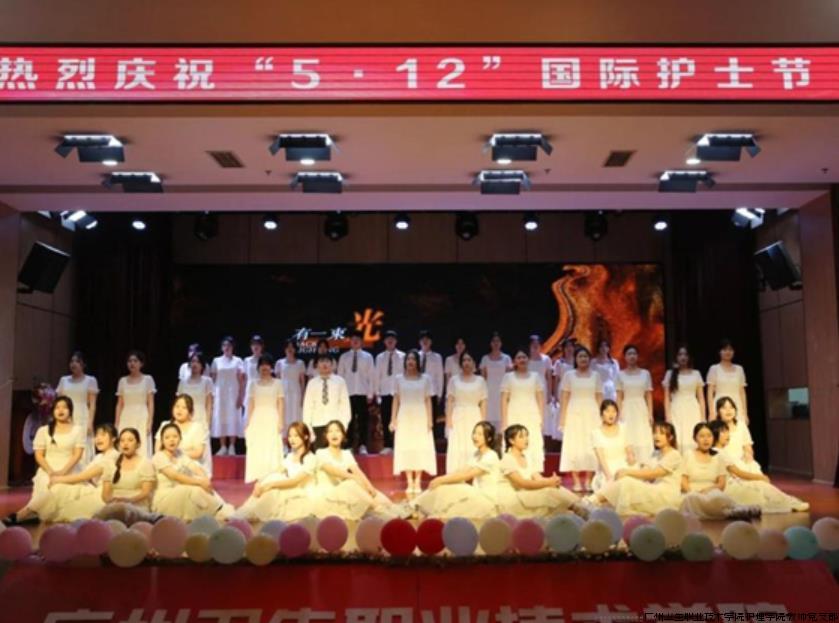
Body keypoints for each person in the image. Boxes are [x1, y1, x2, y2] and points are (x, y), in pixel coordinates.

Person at [4, 396, 85, 525]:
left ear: (70, 410)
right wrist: (50, 471)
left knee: (59, 486)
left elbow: (77, 455)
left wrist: (63, 472)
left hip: (70, 469)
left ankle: (24, 514)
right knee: (46, 483)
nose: (61, 410)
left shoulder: (78, 430)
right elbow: (39, 455)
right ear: (53, 411)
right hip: (48, 468)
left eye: (64, 407)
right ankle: (30, 513)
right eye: (57, 407)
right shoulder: (44, 431)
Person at [710, 419, 809, 513]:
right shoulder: (719, 453)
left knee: (761, 486)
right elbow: (739, 473)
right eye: (723, 432)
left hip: (734, 483)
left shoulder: (721, 451)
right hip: (731, 488)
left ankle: (790, 502)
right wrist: (760, 477)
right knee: (761, 489)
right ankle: (789, 503)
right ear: (715, 434)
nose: (727, 435)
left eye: (727, 431)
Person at [584, 422, 683, 516]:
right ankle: (594, 501)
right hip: (654, 490)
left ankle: (592, 501)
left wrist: (628, 472)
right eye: (655, 433)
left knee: (626, 482)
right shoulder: (655, 454)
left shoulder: (674, 454)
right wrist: (638, 467)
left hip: (666, 495)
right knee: (624, 480)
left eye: (661, 433)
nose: (656, 436)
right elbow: (649, 475)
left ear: (670, 437)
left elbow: (655, 473)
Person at [233, 422, 321, 522]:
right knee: (272, 479)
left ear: (305, 437)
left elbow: (295, 481)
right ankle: (251, 512)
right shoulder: (290, 456)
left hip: (302, 491)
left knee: (273, 489)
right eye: (290, 436)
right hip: (291, 487)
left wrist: (271, 485)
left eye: (296, 436)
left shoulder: (311, 458)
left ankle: (254, 513)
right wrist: (260, 482)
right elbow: (276, 471)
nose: (292, 439)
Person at [34, 423, 120, 522]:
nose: (98, 438)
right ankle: (31, 512)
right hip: (92, 489)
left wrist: (57, 479)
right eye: (96, 435)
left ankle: (30, 512)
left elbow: (83, 476)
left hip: (102, 495)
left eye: (103, 435)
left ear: (113, 438)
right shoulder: (99, 456)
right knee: (59, 489)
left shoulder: (112, 456)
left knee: (65, 506)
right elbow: (85, 475)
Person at [414, 421, 501, 520]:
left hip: (487, 499)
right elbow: (461, 471)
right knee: (447, 486)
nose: (475, 436)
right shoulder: (477, 454)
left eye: (480, 434)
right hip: (477, 495)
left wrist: (441, 480)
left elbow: (466, 476)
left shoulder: (491, 456)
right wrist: (441, 480)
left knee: (457, 488)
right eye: (474, 433)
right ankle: (416, 506)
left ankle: (416, 506)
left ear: (489, 438)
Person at [315, 420, 399, 519]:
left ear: (343, 435)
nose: (334, 434)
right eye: (330, 431)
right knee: (350, 484)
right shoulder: (321, 453)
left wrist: (370, 487)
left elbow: (358, 472)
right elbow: (333, 471)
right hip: (329, 494)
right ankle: (379, 510)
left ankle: (395, 510)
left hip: (345, 492)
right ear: (326, 436)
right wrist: (353, 477)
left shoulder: (346, 453)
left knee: (374, 493)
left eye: (337, 431)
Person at [152, 423, 232, 521]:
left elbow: (194, 467)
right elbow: (175, 476)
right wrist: (199, 482)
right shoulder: (159, 457)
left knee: (198, 489)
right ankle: (217, 511)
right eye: (167, 437)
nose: (171, 440)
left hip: (181, 493)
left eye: (175, 437)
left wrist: (205, 479)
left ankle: (217, 511)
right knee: (192, 489)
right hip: (165, 497)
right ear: (162, 441)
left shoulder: (179, 453)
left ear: (180, 439)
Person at [497, 424, 580, 517]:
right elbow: (522, 483)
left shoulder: (526, 457)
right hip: (514, 498)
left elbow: (538, 478)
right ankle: (579, 509)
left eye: (526, 436)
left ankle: (579, 506)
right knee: (549, 491)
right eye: (521, 436)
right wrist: (548, 483)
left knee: (555, 488)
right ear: (511, 440)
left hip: (525, 493)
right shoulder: (507, 459)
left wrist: (552, 480)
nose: (526, 439)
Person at [680, 422, 755, 520]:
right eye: (702, 436)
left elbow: (721, 483)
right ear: (695, 438)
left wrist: (708, 490)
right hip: (693, 492)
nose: (706, 439)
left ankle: (733, 511)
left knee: (717, 498)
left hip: (712, 491)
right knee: (692, 500)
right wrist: (693, 492)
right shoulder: (688, 455)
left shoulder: (718, 457)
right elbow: (683, 481)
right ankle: (726, 513)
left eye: (709, 436)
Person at [391, 350, 437, 495]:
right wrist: (393, 419)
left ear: (418, 362)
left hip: (420, 416)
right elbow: (396, 399)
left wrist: (430, 420)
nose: (410, 362)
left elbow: (428, 400)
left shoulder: (426, 379)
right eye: (408, 359)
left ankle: (417, 480)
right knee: (406, 447)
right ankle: (409, 481)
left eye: (413, 359)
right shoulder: (399, 379)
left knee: (420, 447)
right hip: (404, 416)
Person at [558, 345, 603, 492]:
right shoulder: (569, 375)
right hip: (574, 413)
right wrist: (562, 418)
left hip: (592, 413)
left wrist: (601, 417)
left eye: (585, 356)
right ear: (575, 360)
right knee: (574, 446)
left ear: (589, 359)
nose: (583, 359)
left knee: (591, 445)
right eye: (580, 356)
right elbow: (565, 397)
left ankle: (588, 480)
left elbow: (599, 397)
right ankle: (576, 481)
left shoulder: (596, 376)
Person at [501, 347, 546, 474]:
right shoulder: (508, 377)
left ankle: (534, 473)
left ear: (528, 359)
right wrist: (504, 421)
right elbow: (504, 400)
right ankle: (514, 472)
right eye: (519, 358)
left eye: (524, 357)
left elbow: (540, 398)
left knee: (533, 441)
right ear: (514, 361)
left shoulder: (535, 376)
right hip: (514, 413)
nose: (522, 360)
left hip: (532, 414)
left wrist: (541, 418)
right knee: (514, 440)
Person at [244, 354, 285, 483]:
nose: (264, 367)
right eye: (262, 365)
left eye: (267, 365)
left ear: (271, 367)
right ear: (258, 368)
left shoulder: (278, 383)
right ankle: (259, 475)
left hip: (272, 417)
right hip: (257, 418)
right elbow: (250, 404)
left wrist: (281, 421)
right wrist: (248, 422)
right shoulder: (252, 384)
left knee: (271, 445)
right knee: (258, 446)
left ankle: (272, 474)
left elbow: (281, 403)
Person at [445, 351, 488, 474]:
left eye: (469, 360)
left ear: (474, 363)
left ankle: (472, 474)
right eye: (464, 360)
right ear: (460, 363)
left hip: (474, 415)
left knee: (473, 444)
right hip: (458, 415)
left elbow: (483, 402)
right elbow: (450, 401)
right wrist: (448, 420)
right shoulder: (454, 380)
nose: (466, 363)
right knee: (457, 445)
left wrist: (483, 421)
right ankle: (456, 475)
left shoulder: (480, 380)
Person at [154, 394, 212, 478]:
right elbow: (158, 450)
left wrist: (176, 456)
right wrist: (168, 458)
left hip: (190, 464)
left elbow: (198, 452)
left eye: (184, 408)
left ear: (190, 411)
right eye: (177, 406)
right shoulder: (165, 425)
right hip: (167, 462)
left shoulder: (197, 427)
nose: (179, 410)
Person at [100, 428, 156, 514]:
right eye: (122, 440)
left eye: (130, 440)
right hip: (115, 506)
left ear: (138, 444)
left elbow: (146, 492)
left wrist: (128, 501)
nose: (125, 443)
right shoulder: (111, 463)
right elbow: (105, 495)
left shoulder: (145, 463)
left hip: (137, 507)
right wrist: (112, 503)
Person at [56, 351, 99, 462]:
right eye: (72, 361)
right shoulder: (64, 380)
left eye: (77, 361)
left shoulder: (90, 380)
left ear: (83, 364)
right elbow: (59, 401)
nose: (74, 364)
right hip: (66, 415)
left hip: (82, 415)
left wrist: (90, 422)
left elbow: (92, 404)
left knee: (81, 443)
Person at [337, 329, 375, 453]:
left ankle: (362, 445)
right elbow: (340, 377)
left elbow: (371, 376)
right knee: (349, 420)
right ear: (350, 341)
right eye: (353, 340)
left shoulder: (368, 357)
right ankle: (348, 445)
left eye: (357, 340)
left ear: (362, 342)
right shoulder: (344, 357)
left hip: (362, 392)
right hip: (347, 393)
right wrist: (339, 395)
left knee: (363, 420)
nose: (355, 342)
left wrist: (370, 394)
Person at [615, 344, 654, 464]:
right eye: (629, 354)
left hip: (641, 408)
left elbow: (648, 395)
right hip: (627, 408)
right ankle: (630, 463)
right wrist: (618, 414)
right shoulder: (620, 374)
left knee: (642, 435)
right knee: (628, 435)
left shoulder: (645, 374)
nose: (632, 356)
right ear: (625, 357)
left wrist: (650, 414)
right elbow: (619, 396)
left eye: (634, 354)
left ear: (637, 356)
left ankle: (645, 464)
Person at [663, 345, 705, 456]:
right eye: (680, 354)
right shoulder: (670, 374)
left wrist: (703, 417)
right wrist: (668, 417)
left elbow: (701, 398)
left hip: (693, 409)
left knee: (692, 435)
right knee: (678, 436)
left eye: (685, 354)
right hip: (677, 409)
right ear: (676, 357)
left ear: (689, 357)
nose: (683, 357)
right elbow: (666, 398)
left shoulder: (696, 374)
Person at [302, 354, 351, 449]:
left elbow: (345, 405)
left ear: (332, 364)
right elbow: (307, 407)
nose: (324, 364)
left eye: (327, 361)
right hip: (317, 424)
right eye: (321, 361)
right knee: (320, 456)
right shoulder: (312, 383)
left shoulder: (340, 381)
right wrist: (309, 429)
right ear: (317, 365)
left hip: (336, 426)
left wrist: (343, 427)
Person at [176, 352, 214, 471]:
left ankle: (204, 473)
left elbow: (209, 404)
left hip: (201, 416)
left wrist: (208, 421)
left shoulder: (207, 381)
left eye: (197, 362)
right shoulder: (183, 382)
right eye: (192, 361)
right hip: (185, 417)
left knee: (202, 445)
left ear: (202, 365)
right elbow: (178, 403)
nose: (194, 364)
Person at [114, 350, 156, 456]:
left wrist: (150, 422)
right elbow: (119, 404)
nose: (132, 363)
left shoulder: (148, 379)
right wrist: (116, 423)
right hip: (126, 415)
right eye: (129, 361)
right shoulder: (122, 381)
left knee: (141, 443)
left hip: (142, 415)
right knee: (125, 441)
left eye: (135, 361)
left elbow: (151, 403)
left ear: (141, 363)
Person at [210, 336, 245, 456]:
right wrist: (212, 396)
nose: (226, 348)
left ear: (232, 347)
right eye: (224, 345)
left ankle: (232, 446)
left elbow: (241, 380)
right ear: (221, 347)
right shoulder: (216, 361)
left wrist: (241, 396)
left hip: (233, 392)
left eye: (229, 345)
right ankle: (223, 446)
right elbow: (213, 379)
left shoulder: (238, 361)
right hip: (220, 393)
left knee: (233, 417)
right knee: (221, 417)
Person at [591, 399, 634, 493]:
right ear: (602, 414)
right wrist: (609, 476)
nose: (611, 414)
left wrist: (630, 456)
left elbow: (629, 449)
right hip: (607, 469)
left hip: (624, 465)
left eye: (614, 411)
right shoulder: (596, 433)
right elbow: (601, 459)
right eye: (607, 411)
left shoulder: (623, 428)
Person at [374, 330, 405, 452]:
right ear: (384, 342)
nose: (390, 341)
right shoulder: (380, 357)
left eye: (392, 339)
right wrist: (377, 393)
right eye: (388, 339)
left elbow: (405, 375)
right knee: (386, 419)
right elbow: (377, 376)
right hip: (385, 393)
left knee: (400, 419)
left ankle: (399, 444)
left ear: (396, 341)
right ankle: (387, 445)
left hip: (399, 393)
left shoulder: (403, 356)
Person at [707, 339, 749, 425]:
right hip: (720, 405)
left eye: (730, 349)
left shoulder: (739, 369)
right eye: (724, 349)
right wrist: (711, 412)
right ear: (719, 352)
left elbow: (742, 393)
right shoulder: (714, 369)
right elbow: (710, 392)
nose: (727, 352)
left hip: (737, 405)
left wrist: (745, 413)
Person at [480, 332, 513, 432]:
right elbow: (483, 379)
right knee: (489, 418)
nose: (496, 343)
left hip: (502, 392)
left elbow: (509, 378)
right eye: (494, 341)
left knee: (502, 417)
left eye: (498, 341)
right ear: (490, 343)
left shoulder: (506, 358)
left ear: (501, 343)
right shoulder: (485, 359)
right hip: (489, 392)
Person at [417, 330, 445, 440]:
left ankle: (430, 441)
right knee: (418, 418)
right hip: (417, 392)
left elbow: (440, 376)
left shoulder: (437, 357)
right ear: (419, 342)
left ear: (431, 342)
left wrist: (439, 394)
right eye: (422, 339)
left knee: (431, 419)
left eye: (427, 339)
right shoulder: (415, 356)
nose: (425, 341)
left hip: (432, 393)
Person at [527, 335, 555, 441]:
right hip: (529, 389)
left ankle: (541, 440)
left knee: (542, 415)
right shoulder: (527, 359)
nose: (535, 347)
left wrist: (549, 394)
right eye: (533, 345)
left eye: (537, 344)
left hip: (542, 389)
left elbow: (549, 377)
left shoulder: (546, 359)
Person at [275, 340, 306, 432]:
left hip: (296, 391)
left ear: (295, 349)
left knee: (295, 412)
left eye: (292, 347)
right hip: (283, 391)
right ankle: (284, 437)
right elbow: (277, 381)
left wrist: (303, 396)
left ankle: (296, 434)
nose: (290, 349)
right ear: (285, 349)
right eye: (288, 347)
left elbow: (302, 381)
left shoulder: (300, 363)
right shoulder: (279, 363)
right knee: (283, 412)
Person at [242, 334, 266, 409]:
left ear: (262, 346)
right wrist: (242, 394)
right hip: (250, 388)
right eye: (253, 344)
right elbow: (244, 379)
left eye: (258, 344)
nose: (255, 346)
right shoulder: (247, 360)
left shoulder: (265, 359)